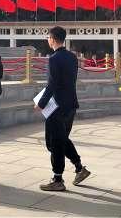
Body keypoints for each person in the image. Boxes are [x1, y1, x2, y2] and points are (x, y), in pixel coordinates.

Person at [36, 26, 91, 192]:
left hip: (57, 106)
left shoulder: (53, 59)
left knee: (54, 143)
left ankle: (57, 179)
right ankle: (79, 167)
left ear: (53, 39)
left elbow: (52, 84)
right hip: (70, 104)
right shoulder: (72, 57)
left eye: (48, 37)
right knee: (61, 139)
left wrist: (41, 103)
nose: (47, 40)